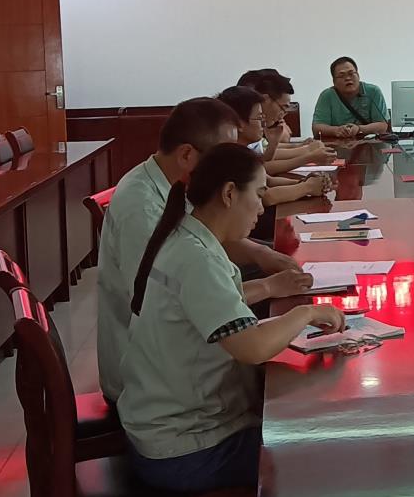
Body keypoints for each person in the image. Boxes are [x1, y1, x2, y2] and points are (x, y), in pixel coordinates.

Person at [119, 143, 346, 492]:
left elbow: (211, 302)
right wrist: (307, 312)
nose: (262, 207)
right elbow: (252, 348)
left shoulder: (183, 237)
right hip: (185, 451)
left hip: (159, 430)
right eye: (259, 194)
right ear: (229, 194)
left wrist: (269, 287)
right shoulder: (198, 259)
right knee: (318, 445)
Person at [96, 98, 312, 403]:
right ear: (187, 154)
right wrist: (287, 302)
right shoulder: (141, 210)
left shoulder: (180, 192)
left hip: (176, 368)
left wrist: (263, 259)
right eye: (221, 156)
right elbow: (166, 296)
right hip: (154, 384)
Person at [216, 85, 333, 208]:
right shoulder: (230, 157)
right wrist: (307, 187)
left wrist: (305, 182)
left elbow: (269, 180)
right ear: (240, 124)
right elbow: (266, 197)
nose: (263, 123)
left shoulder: (243, 152)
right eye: (259, 118)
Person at [311, 56, 390, 139]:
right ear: (334, 81)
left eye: (351, 74)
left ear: (358, 75)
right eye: (341, 76)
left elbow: (383, 125)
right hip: (337, 144)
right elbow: (316, 128)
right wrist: (336, 130)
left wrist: (359, 129)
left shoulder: (373, 92)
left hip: (369, 143)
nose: (348, 78)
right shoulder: (327, 96)